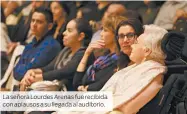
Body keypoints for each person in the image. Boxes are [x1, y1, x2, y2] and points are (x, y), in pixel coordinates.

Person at [101, 24, 168, 114]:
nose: (132, 45)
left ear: (146, 51)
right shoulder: (139, 67)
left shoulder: (154, 73)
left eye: (136, 43)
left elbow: (126, 109)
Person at [20, 18, 95, 91]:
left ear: (80, 36)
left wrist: (36, 78)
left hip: (68, 92)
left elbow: (64, 72)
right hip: (56, 86)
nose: (64, 33)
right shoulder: (66, 50)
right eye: (65, 30)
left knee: (34, 87)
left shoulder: (84, 54)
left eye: (69, 31)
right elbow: (50, 67)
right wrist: (32, 71)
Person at [73, 15, 127, 91]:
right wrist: (87, 54)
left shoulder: (120, 61)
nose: (101, 34)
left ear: (116, 34)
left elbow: (99, 86)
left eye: (105, 30)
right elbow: (76, 82)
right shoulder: (103, 57)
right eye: (101, 30)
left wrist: (86, 88)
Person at [13, 6, 61, 81]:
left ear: (50, 26)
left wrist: (23, 68)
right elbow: (15, 72)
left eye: (39, 22)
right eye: (33, 21)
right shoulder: (30, 45)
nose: (34, 25)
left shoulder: (52, 45)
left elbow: (31, 69)